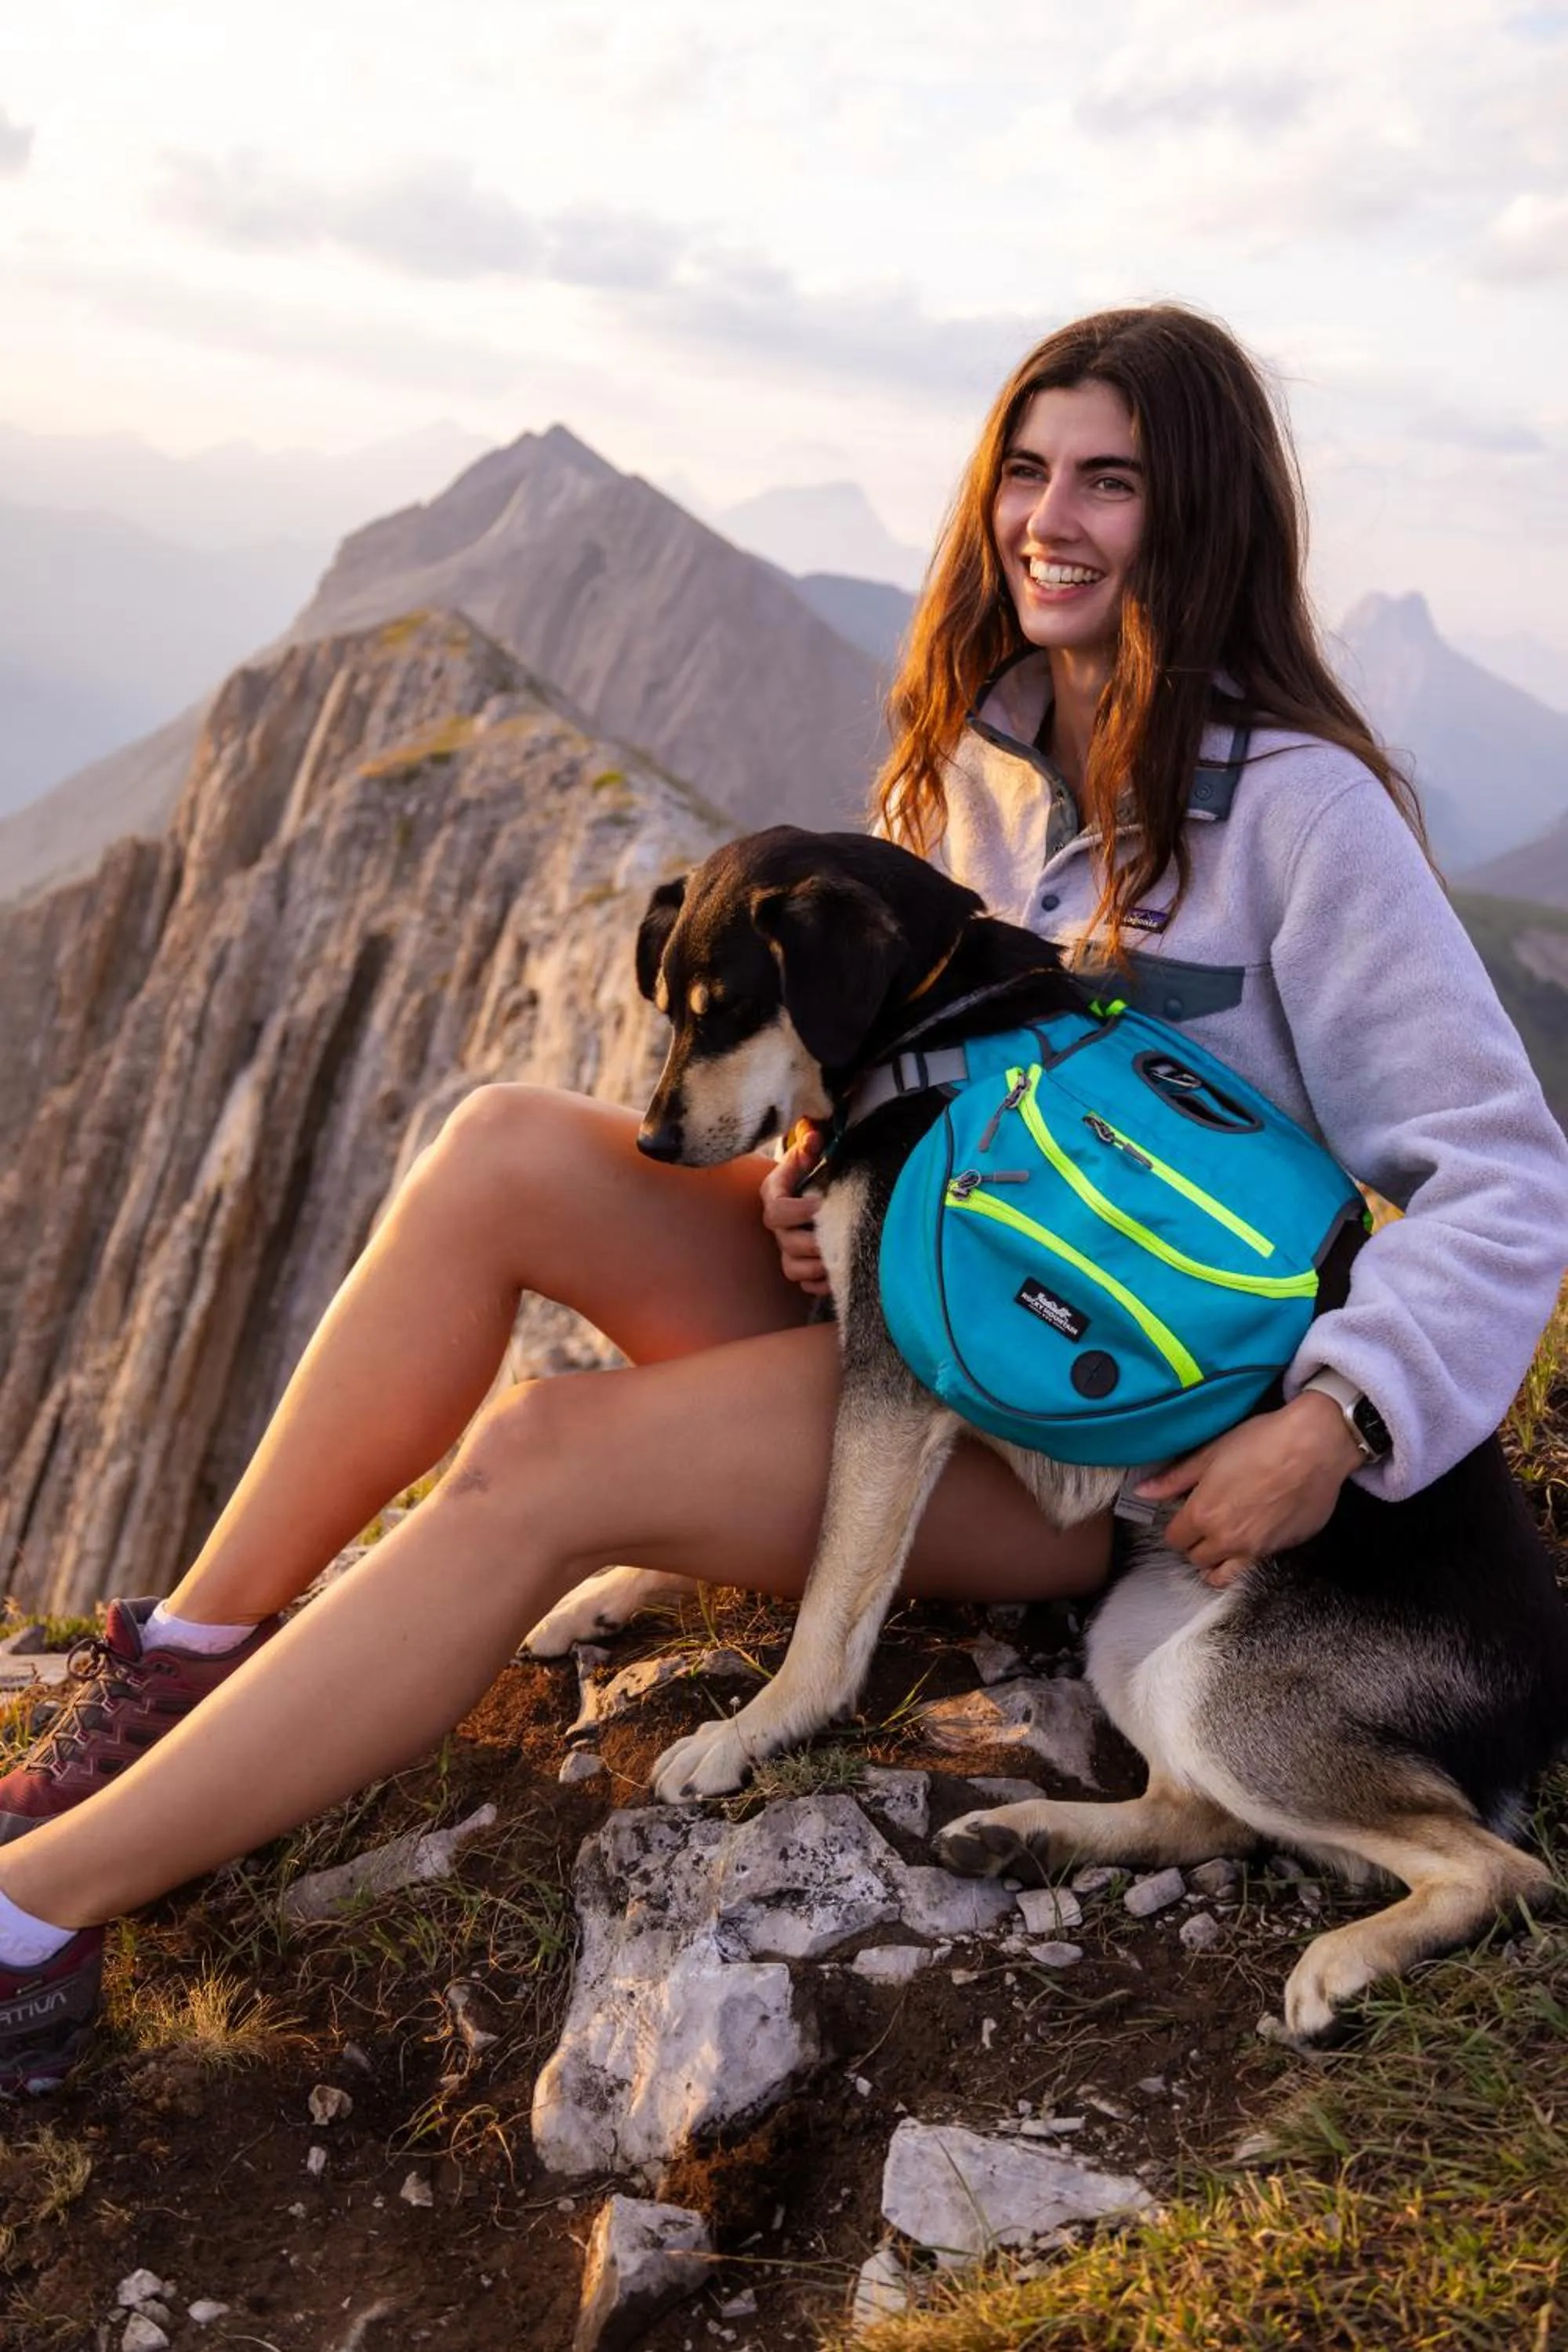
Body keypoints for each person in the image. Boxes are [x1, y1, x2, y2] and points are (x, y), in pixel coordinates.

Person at [2, 304, 1565, 2093]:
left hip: (1102, 1454)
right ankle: (193, 1660)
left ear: (1198, 519)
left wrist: (1336, 1422)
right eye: (1026, 473)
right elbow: (885, 1079)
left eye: (1109, 483)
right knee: (507, 1139)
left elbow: (1502, 1172)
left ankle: (30, 1925)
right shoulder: (957, 772)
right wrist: (790, 1182)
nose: (1050, 519)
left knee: (542, 1455)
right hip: (911, 1320)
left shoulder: (1301, 818)